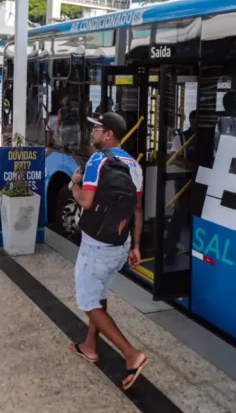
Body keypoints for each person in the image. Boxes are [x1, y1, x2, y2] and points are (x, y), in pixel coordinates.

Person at [67, 112, 148, 390]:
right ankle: (90, 346)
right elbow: (137, 209)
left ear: (109, 134)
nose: (94, 133)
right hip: (121, 243)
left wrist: (74, 184)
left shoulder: (98, 160)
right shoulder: (134, 166)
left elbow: (86, 202)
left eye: (97, 129)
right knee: (98, 295)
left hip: (96, 246)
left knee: (88, 302)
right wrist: (136, 246)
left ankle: (131, 355)